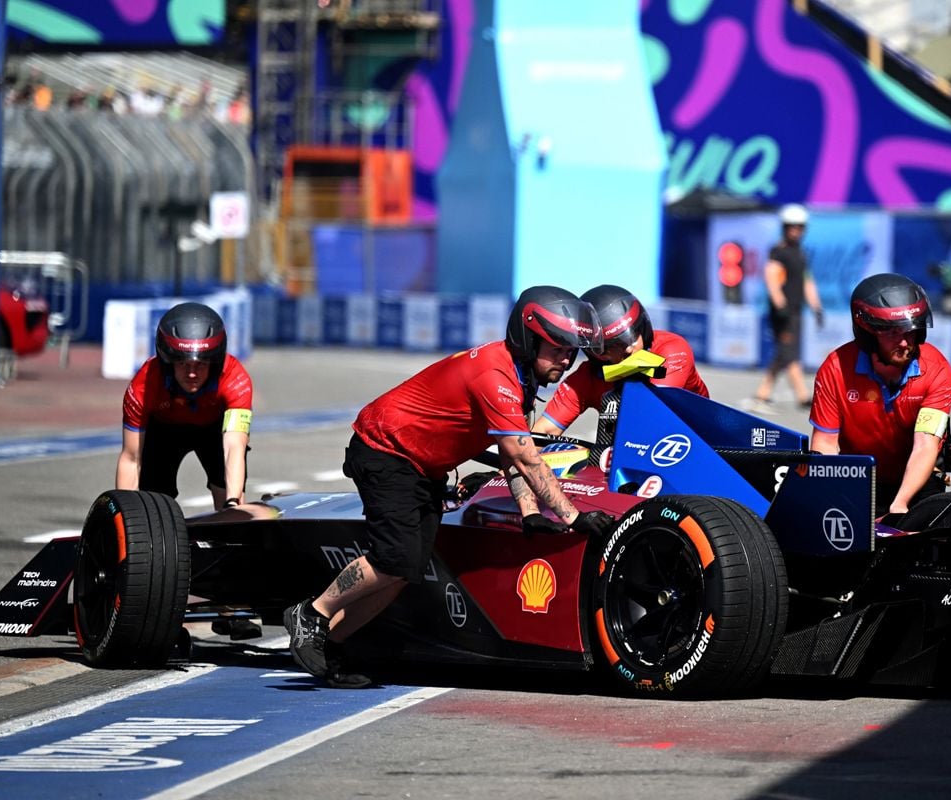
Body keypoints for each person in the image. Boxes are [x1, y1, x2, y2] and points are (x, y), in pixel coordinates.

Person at [284, 286, 618, 687]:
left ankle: (332, 647)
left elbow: (511, 454)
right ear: (529, 339)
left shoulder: (520, 379)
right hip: (385, 451)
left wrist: (530, 514)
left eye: (572, 351)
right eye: (558, 347)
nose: (567, 359)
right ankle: (311, 614)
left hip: (423, 465)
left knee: (405, 568)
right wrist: (573, 516)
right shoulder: (495, 375)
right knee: (394, 557)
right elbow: (526, 455)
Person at [117, 302, 256, 638]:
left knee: (229, 504)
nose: (192, 372)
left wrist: (234, 506)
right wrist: (123, 527)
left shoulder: (237, 380)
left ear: (216, 360)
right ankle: (159, 608)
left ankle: (230, 603)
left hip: (213, 429)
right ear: (166, 360)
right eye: (182, 363)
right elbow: (130, 459)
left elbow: (234, 447)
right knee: (152, 510)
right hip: (163, 430)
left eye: (201, 363)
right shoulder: (142, 385)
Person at [808, 273, 951, 518]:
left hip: (919, 479)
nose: (904, 342)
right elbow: (824, 444)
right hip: (859, 478)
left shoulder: (937, 369)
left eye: (910, 331)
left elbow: (925, 445)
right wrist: (829, 498)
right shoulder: (835, 368)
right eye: (891, 333)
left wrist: (900, 504)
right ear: (867, 333)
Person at [532, 284, 709, 438]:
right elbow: (545, 431)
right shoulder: (586, 379)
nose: (629, 348)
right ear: (596, 352)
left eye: (632, 335)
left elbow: (652, 419)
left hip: (705, 444)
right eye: (615, 344)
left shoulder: (672, 349)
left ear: (643, 327)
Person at [750, 204, 825, 412]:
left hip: (796, 310)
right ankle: (802, 396)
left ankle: (763, 392)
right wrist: (779, 303)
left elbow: (807, 282)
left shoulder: (800, 253)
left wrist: (816, 307)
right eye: (792, 226)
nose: (796, 230)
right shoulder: (779, 252)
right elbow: (771, 278)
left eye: (800, 227)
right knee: (790, 354)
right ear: (784, 227)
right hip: (783, 312)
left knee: (784, 353)